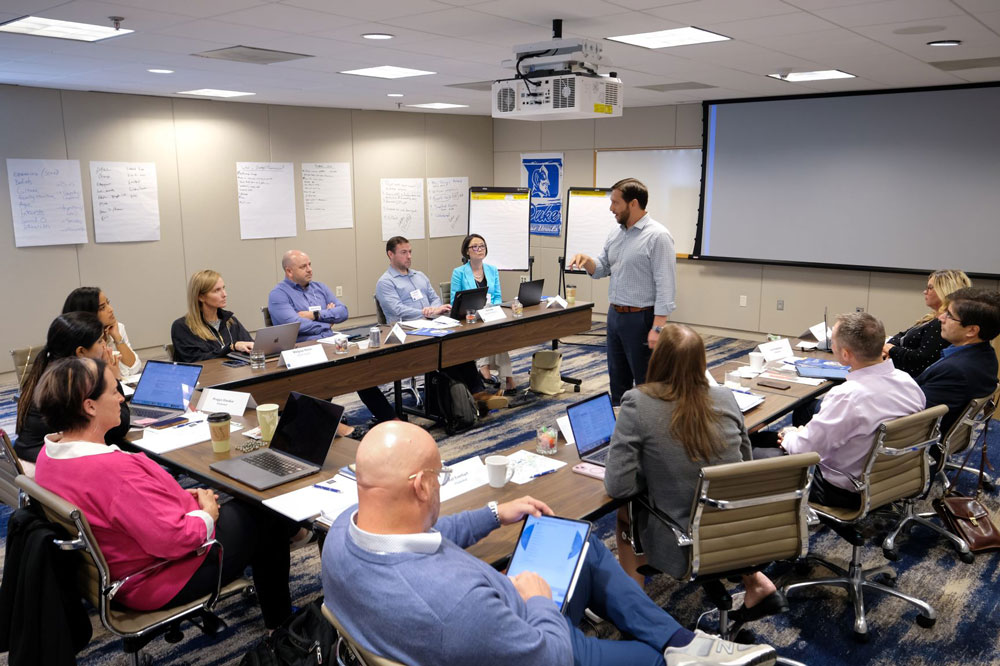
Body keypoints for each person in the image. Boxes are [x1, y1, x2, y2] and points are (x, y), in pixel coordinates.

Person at [321, 421, 776, 666]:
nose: (439, 487)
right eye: (439, 478)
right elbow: (549, 657)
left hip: (483, 623)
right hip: (531, 640)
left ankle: (684, 641)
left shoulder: (344, 531)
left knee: (582, 546)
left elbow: (431, 535)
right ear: (421, 486)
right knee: (655, 660)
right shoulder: (455, 608)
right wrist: (536, 601)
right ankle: (677, 653)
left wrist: (497, 513)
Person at [32, 356, 297, 629]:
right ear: (89, 406)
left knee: (244, 506)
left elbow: (126, 509)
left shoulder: (50, 454)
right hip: (156, 578)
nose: (122, 400)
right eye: (114, 392)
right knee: (267, 514)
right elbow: (175, 540)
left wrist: (182, 501)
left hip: (118, 567)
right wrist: (206, 514)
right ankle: (283, 624)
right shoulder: (113, 472)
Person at [604, 323, 785, 624]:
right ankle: (755, 581)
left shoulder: (638, 403)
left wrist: (651, 474)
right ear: (703, 361)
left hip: (682, 542)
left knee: (626, 511)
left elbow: (618, 485)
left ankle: (636, 613)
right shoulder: (725, 397)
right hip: (741, 529)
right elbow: (746, 462)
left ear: (657, 359)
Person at [761, 313, 926, 509]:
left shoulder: (847, 397)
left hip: (845, 491)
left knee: (754, 451)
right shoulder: (907, 381)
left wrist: (788, 435)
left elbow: (803, 450)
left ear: (846, 354)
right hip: (894, 476)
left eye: (833, 342)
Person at [568, 178, 677, 406]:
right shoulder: (616, 234)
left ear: (633, 204)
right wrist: (587, 261)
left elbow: (666, 285)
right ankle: (622, 426)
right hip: (615, 315)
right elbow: (602, 268)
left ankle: (648, 431)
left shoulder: (658, 236)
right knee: (618, 380)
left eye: (615, 203)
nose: (611, 208)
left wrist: (658, 327)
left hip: (641, 317)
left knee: (646, 382)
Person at [268, 249, 397, 433]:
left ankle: (389, 418)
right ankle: (325, 425)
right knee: (331, 376)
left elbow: (343, 312)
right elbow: (294, 324)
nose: (310, 269)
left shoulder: (319, 287)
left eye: (310, 264)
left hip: (330, 342)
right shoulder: (279, 294)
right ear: (289, 271)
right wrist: (327, 322)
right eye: (303, 266)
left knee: (360, 369)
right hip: (303, 349)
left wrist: (316, 315)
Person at [377, 236, 507, 413]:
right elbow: (397, 309)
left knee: (458, 344)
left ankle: (475, 394)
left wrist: (437, 309)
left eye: (410, 252)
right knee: (446, 351)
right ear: (390, 255)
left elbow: (434, 298)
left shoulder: (419, 276)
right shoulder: (385, 282)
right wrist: (426, 312)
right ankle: (470, 396)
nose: (409, 256)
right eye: (403, 252)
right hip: (407, 330)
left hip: (432, 324)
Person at [14, 312, 129, 463]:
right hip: (50, 465)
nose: (105, 346)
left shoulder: (51, 370)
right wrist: (111, 375)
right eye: (100, 341)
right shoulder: (71, 383)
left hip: (34, 460)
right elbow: (119, 426)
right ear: (81, 351)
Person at [916, 287, 1000, 435]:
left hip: (919, 442)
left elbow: (909, 414)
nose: (940, 318)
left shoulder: (955, 371)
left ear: (972, 330)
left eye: (949, 315)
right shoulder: (987, 355)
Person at [450, 234, 516, 392]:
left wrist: (492, 308)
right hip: (470, 316)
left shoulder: (492, 270)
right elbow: (454, 300)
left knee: (499, 333)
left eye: (482, 246)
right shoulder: (458, 272)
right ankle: (507, 377)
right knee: (495, 333)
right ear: (467, 251)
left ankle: (484, 367)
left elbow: (498, 296)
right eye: (475, 247)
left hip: (490, 313)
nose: (479, 249)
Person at [883, 269, 971, 377]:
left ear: (944, 291)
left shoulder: (942, 324)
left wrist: (892, 350)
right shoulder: (932, 318)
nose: (925, 292)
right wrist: (889, 348)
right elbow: (902, 335)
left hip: (908, 379)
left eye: (930, 288)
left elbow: (921, 360)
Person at [170, 270, 254, 363]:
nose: (224, 294)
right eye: (217, 290)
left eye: (223, 288)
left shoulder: (230, 321)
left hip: (237, 375)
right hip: (208, 376)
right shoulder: (183, 327)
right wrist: (231, 347)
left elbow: (251, 346)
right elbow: (197, 360)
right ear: (201, 297)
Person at [62, 286, 142, 376]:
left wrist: (117, 337)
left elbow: (135, 368)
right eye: (102, 308)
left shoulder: (116, 328)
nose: (111, 309)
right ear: (86, 314)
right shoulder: (79, 338)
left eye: (108, 303)